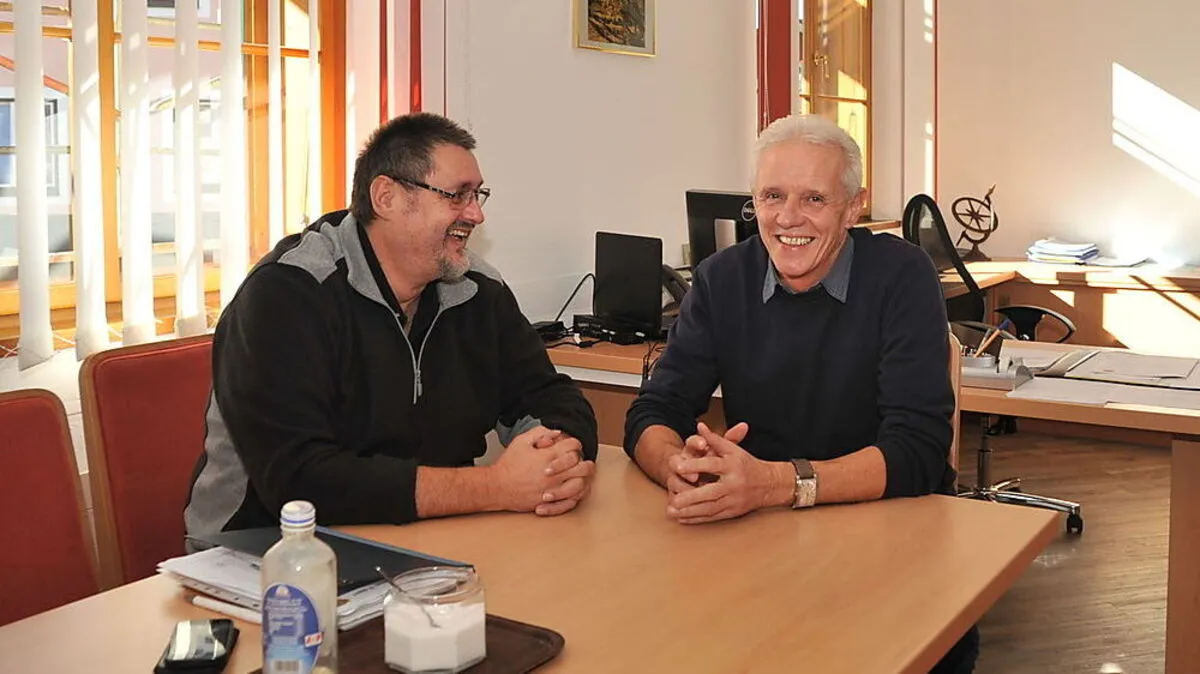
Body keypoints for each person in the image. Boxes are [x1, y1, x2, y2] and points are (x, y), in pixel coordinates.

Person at [623, 114, 977, 672]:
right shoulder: (721, 278)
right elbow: (655, 409)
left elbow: (918, 452)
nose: (788, 218)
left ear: (853, 208)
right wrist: (677, 467)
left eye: (814, 198)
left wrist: (772, 483)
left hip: (894, 532)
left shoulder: (902, 275)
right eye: (772, 196)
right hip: (761, 535)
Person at [186, 113, 598, 538]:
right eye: (457, 195)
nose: (476, 214)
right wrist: (496, 486)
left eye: (478, 195)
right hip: (268, 547)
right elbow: (299, 481)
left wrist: (553, 459)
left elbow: (551, 396)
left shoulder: (477, 289)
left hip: (426, 535)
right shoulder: (288, 293)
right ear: (386, 197)